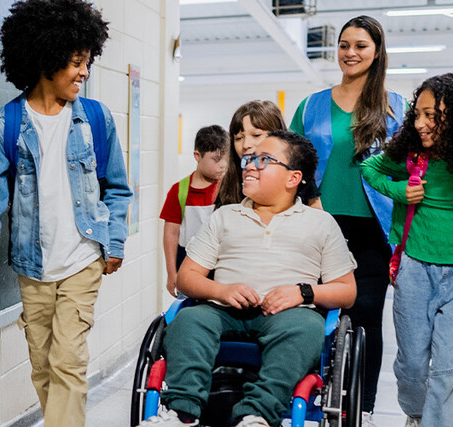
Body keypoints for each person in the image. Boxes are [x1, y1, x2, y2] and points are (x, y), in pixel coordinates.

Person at [0, 1, 131, 426]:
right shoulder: (4, 126)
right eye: (77, 62)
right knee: (43, 365)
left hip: (82, 261)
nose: (85, 72)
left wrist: (113, 241)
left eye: (87, 62)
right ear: (47, 59)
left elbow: (118, 188)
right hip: (33, 268)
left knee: (68, 362)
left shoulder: (95, 119)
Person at [139, 131, 357, 427]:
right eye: (249, 159)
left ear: (292, 178)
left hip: (288, 315)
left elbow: (347, 291)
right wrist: (222, 289)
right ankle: (182, 412)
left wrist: (303, 293)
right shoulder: (224, 216)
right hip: (221, 311)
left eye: (264, 160)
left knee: (307, 328)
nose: (250, 165)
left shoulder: (321, 224)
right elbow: (186, 278)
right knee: (188, 322)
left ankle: (256, 415)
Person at [289, 16, 404, 423]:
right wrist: (312, 198)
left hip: (373, 227)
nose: (350, 53)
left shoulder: (396, 107)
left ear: (376, 53)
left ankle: (365, 407)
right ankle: (310, 397)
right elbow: (292, 160)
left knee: (368, 319)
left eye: (360, 45)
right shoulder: (312, 105)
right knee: (312, 316)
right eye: (343, 45)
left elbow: (407, 169)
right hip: (320, 222)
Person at [361, 73, 453, 427]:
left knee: (446, 366)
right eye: (418, 114)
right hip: (415, 266)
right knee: (413, 362)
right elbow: (370, 167)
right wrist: (400, 191)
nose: (421, 123)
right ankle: (416, 415)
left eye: (432, 116)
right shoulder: (411, 154)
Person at [160, 125, 229, 297]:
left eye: (226, 159)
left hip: (221, 267)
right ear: (198, 156)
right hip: (189, 265)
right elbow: (171, 234)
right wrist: (171, 273)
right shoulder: (179, 190)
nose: (223, 165)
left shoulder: (228, 189)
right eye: (216, 159)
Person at [215, 100, 287, 209]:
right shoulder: (228, 186)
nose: (246, 145)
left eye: (256, 135)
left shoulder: (300, 183)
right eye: (239, 138)